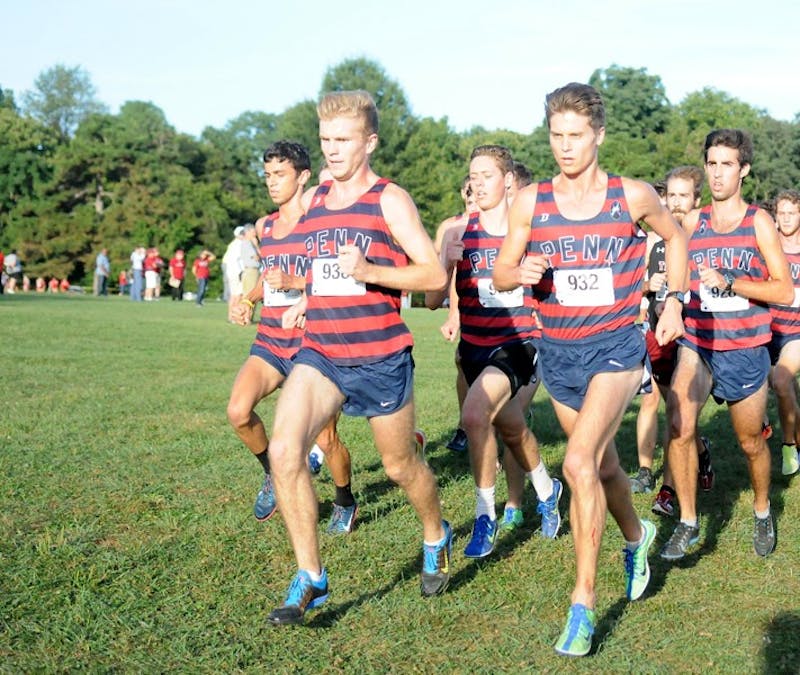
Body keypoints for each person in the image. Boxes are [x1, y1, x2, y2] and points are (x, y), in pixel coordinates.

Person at [493, 82, 687, 657]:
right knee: (602, 467)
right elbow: (502, 272)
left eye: (576, 136)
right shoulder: (531, 202)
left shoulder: (631, 196)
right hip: (559, 353)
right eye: (556, 136)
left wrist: (672, 299)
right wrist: (521, 270)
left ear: (598, 135)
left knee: (576, 461)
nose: (565, 146)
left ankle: (582, 604)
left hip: (616, 349)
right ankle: (637, 536)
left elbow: (675, 239)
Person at [265, 90, 450, 626]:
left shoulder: (390, 200)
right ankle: (312, 577)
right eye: (326, 140)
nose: (333, 150)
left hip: (380, 356)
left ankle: (436, 533)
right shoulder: (319, 196)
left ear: (369, 141)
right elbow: (324, 270)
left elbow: (433, 275)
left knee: (399, 466)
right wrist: (306, 298)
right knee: (284, 452)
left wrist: (371, 271)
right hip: (321, 351)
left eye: (343, 140)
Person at [660, 129, 793, 563]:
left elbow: (784, 290)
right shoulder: (692, 222)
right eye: (712, 164)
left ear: (744, 170)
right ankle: (688, 521)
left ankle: (761, 509)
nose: (717, 174)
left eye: (727, 165)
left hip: (746, 346)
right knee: (679, 423)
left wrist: (733, 281)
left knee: (751, 442)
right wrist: (675, 303)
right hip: (699, 343)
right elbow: (680, 279)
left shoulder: (759, 222)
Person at [426, 145, 562, 558]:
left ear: (507, 182)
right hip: (474, 347)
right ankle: (547, 489)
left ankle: (484, 515)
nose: (478, 184)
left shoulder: (532, 231)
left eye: (487, 176)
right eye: (473, 176)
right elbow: (432, 300)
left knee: (473, 415)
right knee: (510, 427)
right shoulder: (455, 231)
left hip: (520, 342)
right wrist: (445, 265)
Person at [227, 140, 358, 534]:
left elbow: (339, 281)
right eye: (267, 175)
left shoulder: (321, 223)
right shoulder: (265, 226)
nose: (272, 182)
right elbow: (270, 278)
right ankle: (272, 471)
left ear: (303, 177)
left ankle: (344, 498)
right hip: (270, 339)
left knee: (327, 438)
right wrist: (246, 300)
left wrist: (297, 281)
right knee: (238, 411)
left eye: (280, 174)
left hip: (312, 345)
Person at [630, 167, 716, 517]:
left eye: (685, 196)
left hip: (693, 337)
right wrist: (648, 286)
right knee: (675, 416)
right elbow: (628, 286)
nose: (676, 203)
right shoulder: (652, 241)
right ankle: (702, 452)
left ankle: (667, 491)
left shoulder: (702, 237)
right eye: (671, 196)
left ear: (697, 200)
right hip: (657, 335)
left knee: (676, 416)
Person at [432, 174, 477, 453]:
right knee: (464, 362)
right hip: (465, 303)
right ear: (463, 194)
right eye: (470, 197)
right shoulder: (451, 229)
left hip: (500, 312)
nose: (474, 203)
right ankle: (466, 426)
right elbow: (448, 276)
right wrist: (453, 316)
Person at [769, 189, 800, 476]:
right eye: (782, 213)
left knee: (780, 380)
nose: (787, 218)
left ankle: (788, 445)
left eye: (792, 212)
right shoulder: (769, 246)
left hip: (796, 332)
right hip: (767, 330)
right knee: (784, 389)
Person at [222, 227, 245, 320]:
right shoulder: (239, 244)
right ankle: (234, 317)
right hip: (236, 273)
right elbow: (237, 261)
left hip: (232, 272)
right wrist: (240, 272)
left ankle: (231, 316)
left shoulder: (233, 244)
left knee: (234, 295)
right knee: (237, 295)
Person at [239, 223, 261, 315]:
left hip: (251, 270)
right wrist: (256, 246)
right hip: (251, 271)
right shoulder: (247, 243)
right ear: (247, 231)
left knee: (249, 293)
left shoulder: (247, 243)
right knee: (250, 294)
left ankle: (247, 316)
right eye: (253, 231)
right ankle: (246, 316)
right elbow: (257, 257)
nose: (255, 233)